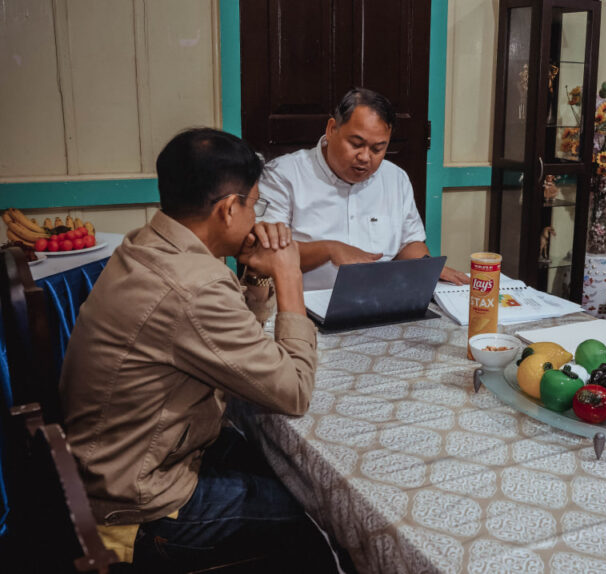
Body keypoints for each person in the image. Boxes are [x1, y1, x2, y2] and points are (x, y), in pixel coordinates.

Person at [60, 128, 335, 571]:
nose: (256, 217)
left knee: (283, 465)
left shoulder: (146, 244)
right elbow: (294, 391)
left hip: (118, 463)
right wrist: (289, 275)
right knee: (319, 513)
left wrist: (256, 275)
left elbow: (229, 348)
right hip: (139, 506)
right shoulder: (193, 286)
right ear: (228, 209)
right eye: (254, 204)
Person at [260, 87, 469, 290]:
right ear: (331, 129)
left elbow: (408, 243)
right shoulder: (283, 176)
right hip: (303, 304)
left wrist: (427, 267)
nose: (364, 157)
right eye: (356, 144)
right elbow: (264, 254)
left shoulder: (395, 178)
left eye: (377, 149)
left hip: (379, 299)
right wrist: (328, 250)